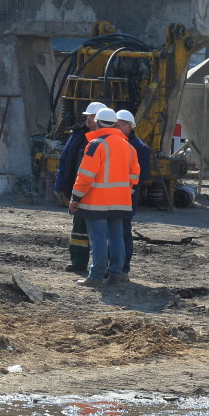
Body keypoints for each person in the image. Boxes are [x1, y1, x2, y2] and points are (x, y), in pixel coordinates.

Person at [69, 107, 140, 287]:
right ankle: (116, 274)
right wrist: (124, 192)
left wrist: (75, 197)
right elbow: (134, 176)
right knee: (117, 238)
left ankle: (96, 276)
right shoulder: (129, 146)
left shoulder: (96, 145)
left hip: (97, 202)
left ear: (98, 123)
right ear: (114, 123)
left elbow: (85, 175)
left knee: (99, 239)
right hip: (121, 202)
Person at [54, 101, 105, 274]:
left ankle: (102, 267)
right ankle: (78, 261)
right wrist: (61, 186)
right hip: (82, 190)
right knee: (79, 229)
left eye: (90, 116)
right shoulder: (79, 135)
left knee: (101, 232)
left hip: (100, 193)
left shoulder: (108, 140)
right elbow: (65, 160)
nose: (87, 119)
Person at [113, 109, 152, 283]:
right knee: (114, 233)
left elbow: (141, 174)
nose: (116, 127)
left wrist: (129, 189)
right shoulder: (115, 143)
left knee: (123, 233)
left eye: (120, 124)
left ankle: (123, 269)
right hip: (113, 197)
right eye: (115, 124)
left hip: (127, 198)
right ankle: (114, 268)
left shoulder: (139, 147)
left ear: (129, 126)